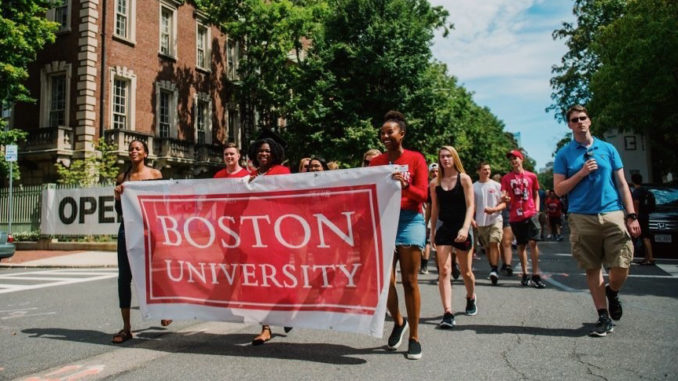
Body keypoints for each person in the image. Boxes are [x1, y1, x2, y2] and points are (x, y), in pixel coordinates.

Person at [554, 104, 641, 337]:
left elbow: (622, 184)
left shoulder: (608, 149)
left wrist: (631, 215)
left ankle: (612, 291)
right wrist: (581, 173)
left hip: (612, 212)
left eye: (583, 118)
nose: (580, 122)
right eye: (574, 120)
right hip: (581, 216)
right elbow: (559, 189)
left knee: (622, 263)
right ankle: (603, 317)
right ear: (569, 125)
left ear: (589, 121)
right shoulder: (564, 154)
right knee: (592, 268)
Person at [369, 110, 428, 360]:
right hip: (384, 219)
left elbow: (423, 195)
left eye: (389, 132)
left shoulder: (416, 159)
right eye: (382, 132)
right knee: (384, 283)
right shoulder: (376, 162)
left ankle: (414, 336)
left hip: (409, 220)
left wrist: (405, 185)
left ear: (401, 133)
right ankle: (399, 321)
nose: (384, 136)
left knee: (410, 281)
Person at [112, 139, 169, 343]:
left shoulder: (155, 175)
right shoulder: (123, 176)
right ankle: (126, 328)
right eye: (131, 149)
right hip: (127, 231)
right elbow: (119, 211)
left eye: (138, 149)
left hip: (149, 230)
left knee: (155, 271)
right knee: (123, 278)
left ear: (145, 153)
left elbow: (162, 204)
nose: (133, 151)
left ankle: (165, 310)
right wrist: (118, 198)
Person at [247, 138, 293, 345]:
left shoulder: (282, 173)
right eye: (259, 151)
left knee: (279, 277)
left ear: (274, 153)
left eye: (267, 151)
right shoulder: (252, 175)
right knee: (261, 280)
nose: (263, 154)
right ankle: (265, 327)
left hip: (278, 232)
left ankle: (286, 309)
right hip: (257, 234)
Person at [429, 146, 476, 329]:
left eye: (448, 156)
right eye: (442, 156)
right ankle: (447, 312)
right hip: (444, 228)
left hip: (461, 227)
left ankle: (471, 296)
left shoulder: (464, 179)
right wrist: (432, 232)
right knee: (444, 270)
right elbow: (434, 209)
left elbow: (471, 206)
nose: (445, 159)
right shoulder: (435, 183)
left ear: (454, 158)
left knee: (466, 272)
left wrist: (465, 228)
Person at [501, 149, 545, 288]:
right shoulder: (506, 178)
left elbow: (536, 193)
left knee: (533, 242)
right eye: (511, 159)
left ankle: (536, 274)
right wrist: (504, 198)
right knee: (521, 245)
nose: (513, 161)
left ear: (521, 159)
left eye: (516, 158)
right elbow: (504, 194)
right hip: (515, 215)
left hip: (530, 212)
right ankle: (525, 273)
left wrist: (537, 209)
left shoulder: (531, 176)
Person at [473, 163, 505, 286]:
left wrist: (494, 210)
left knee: (494, 242)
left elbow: (503, 204)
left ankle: (495, 269)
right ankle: (493, 267)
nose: (487, 171)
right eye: (484, 169)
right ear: (478, 171)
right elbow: (472, 205)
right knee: (487, 247)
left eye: (489, 169)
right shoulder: (473, 186)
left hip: (496, 219)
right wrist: (472, 219)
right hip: (481, 222)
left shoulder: (497, 185)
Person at [630, 173, 655, 265]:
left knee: (639, 236)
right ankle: (647, 257)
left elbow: (636, 203)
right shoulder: (646, 191)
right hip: (646, 215)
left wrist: (634, 216)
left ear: (633, 181)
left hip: (639, 216)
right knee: (646, 236)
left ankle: (650, 258)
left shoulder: (636, 192)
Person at [493, 173, 514, 276]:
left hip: (506, 215)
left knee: (506, 242)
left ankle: (508, 264)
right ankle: (505, 263)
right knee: (501, 242)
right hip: (495, 217)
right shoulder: (492, 190)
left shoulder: (508, 191)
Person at [422, 163, 439, 274]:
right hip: (430, 219)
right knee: (427, 242)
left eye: (437, 171)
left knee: (441, 244)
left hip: (445, 219)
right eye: (433, 171)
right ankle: (424, 265)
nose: (435, 173)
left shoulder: (448, 183)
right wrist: (426, 221)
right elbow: (428, 205)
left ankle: (444, 268)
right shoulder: (428, 187)